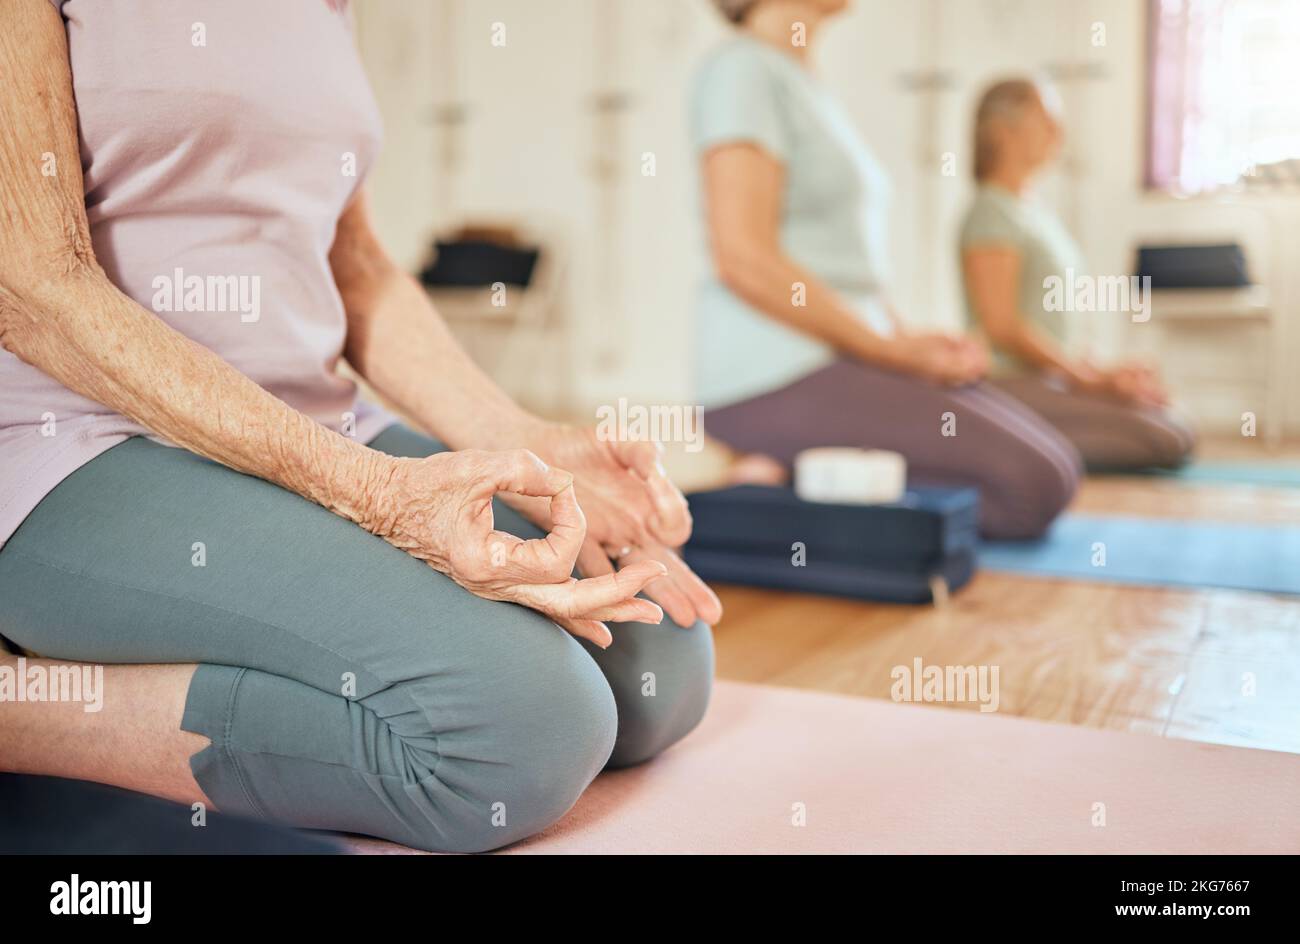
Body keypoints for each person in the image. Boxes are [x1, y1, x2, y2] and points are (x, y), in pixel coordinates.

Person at [0, 0, 720, 854]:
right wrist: (377, 496)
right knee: (523, 730)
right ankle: (23, 710)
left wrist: (526, 437)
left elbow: (360, 268)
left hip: (319, 423)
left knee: (655, 661)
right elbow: (34, 286)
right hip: (79, 443)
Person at [693, 0, 1079, 538]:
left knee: (1057, 464)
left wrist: (909, 342)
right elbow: (743, 258)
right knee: (1032, 485)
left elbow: (850, 272)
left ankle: (786, 479)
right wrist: (888, 351)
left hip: (845, 358)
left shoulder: (805, 83)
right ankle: (768, 498)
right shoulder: (741, 69)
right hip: (770, 374)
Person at [960, 78, 1196, 470]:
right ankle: (998, 442)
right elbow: (1002, 326)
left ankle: (1025, 440)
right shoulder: (991, 212)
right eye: (1046, 120)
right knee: (1164, 438)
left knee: (1177, 422)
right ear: (1004, 131)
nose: (1058, 133)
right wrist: (1088, 382)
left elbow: (1058, 324)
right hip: (1012, 382)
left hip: (1055, 379)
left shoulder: (1034, 213)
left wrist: (1103, 374)